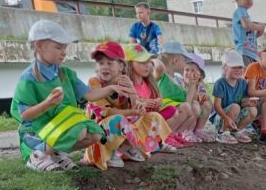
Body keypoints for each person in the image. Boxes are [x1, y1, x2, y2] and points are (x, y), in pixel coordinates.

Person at [11, 20, 119, 172]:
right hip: (37, 130)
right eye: (58, 47)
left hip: (61, 125)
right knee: (80, 131)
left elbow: (89, 94)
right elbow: (25, 115)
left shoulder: (67, 73)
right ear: (39, 46)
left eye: (65, 47)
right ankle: (37, 155)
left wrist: (112, 88)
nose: (64, 51)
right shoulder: (28, 78)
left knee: (94, 135)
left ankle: (56, 153)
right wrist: (46, 104)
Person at [84, 41, 172, 169]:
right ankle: (112, 154)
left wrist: (131, 91)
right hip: (100, 131)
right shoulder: (95, 82)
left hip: (121, 126)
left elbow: (137, 108)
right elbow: (105, 112)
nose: (104, 67)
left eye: (109, 63)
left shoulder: (125, 80)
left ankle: (128, 147)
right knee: (117, 120)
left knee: (153, 117)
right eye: (101, 63)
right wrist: (132, 112)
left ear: (120, 66)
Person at [124, 44, 182, 150]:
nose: (147, 66)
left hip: (151, 122)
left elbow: (157, 107)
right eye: (142, 62)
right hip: (137, 124)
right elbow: (126, 109)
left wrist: (158, 103)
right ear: (129, 64)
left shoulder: (149, 82)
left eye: (148, 62)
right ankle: (157, 142)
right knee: (155, 116)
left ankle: (162, 138)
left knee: (172, 110)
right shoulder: (127, 85)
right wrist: (143, 104)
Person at [152, 40, 201, 143]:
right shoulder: (161, 74)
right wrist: (158, 56)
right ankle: (163, 136)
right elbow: (158, 66)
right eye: (184, 60)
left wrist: (192, 85)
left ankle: (175, 134)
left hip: (176, 112)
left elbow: (187, 101)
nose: (186, 63)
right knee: (187, 106)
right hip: (162, 111)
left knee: (193, 106)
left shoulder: (177, 80)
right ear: (175, 61)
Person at [210, 49, 256, 144]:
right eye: (234, 67)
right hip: (221, 118)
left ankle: (237, 131)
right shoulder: (220, 83)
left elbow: (242, 102)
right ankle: (223, 133)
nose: (238, 70)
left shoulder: (243, 83)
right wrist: (226, 118)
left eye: (240, 67)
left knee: (253, 110)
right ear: (225, 68)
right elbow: (216, 106)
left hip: (235, 116)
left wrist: (247, 102)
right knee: (235, 106)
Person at [183, 53, 216, 142]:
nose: (189, 73)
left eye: (193, 71)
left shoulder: (200, 85)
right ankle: (187, 131)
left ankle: (198, 130)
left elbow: (202, 98)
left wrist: (205, 98)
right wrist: (191, 86)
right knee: (194, 104)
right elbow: (187, 103)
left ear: (200, 75)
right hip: (183, 119)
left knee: (207, 103)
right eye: (187, 70)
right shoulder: (181, 84)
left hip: (196, 115)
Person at [232, 0, 266, 66]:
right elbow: (247, 25)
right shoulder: (240, 11)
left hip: (251, 51)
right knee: (249, 75)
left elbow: (249, 35)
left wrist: (258, 33)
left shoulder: (245, 14)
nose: (249, 0)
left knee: (255, 74)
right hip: (244, 50)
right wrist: (259, 27)